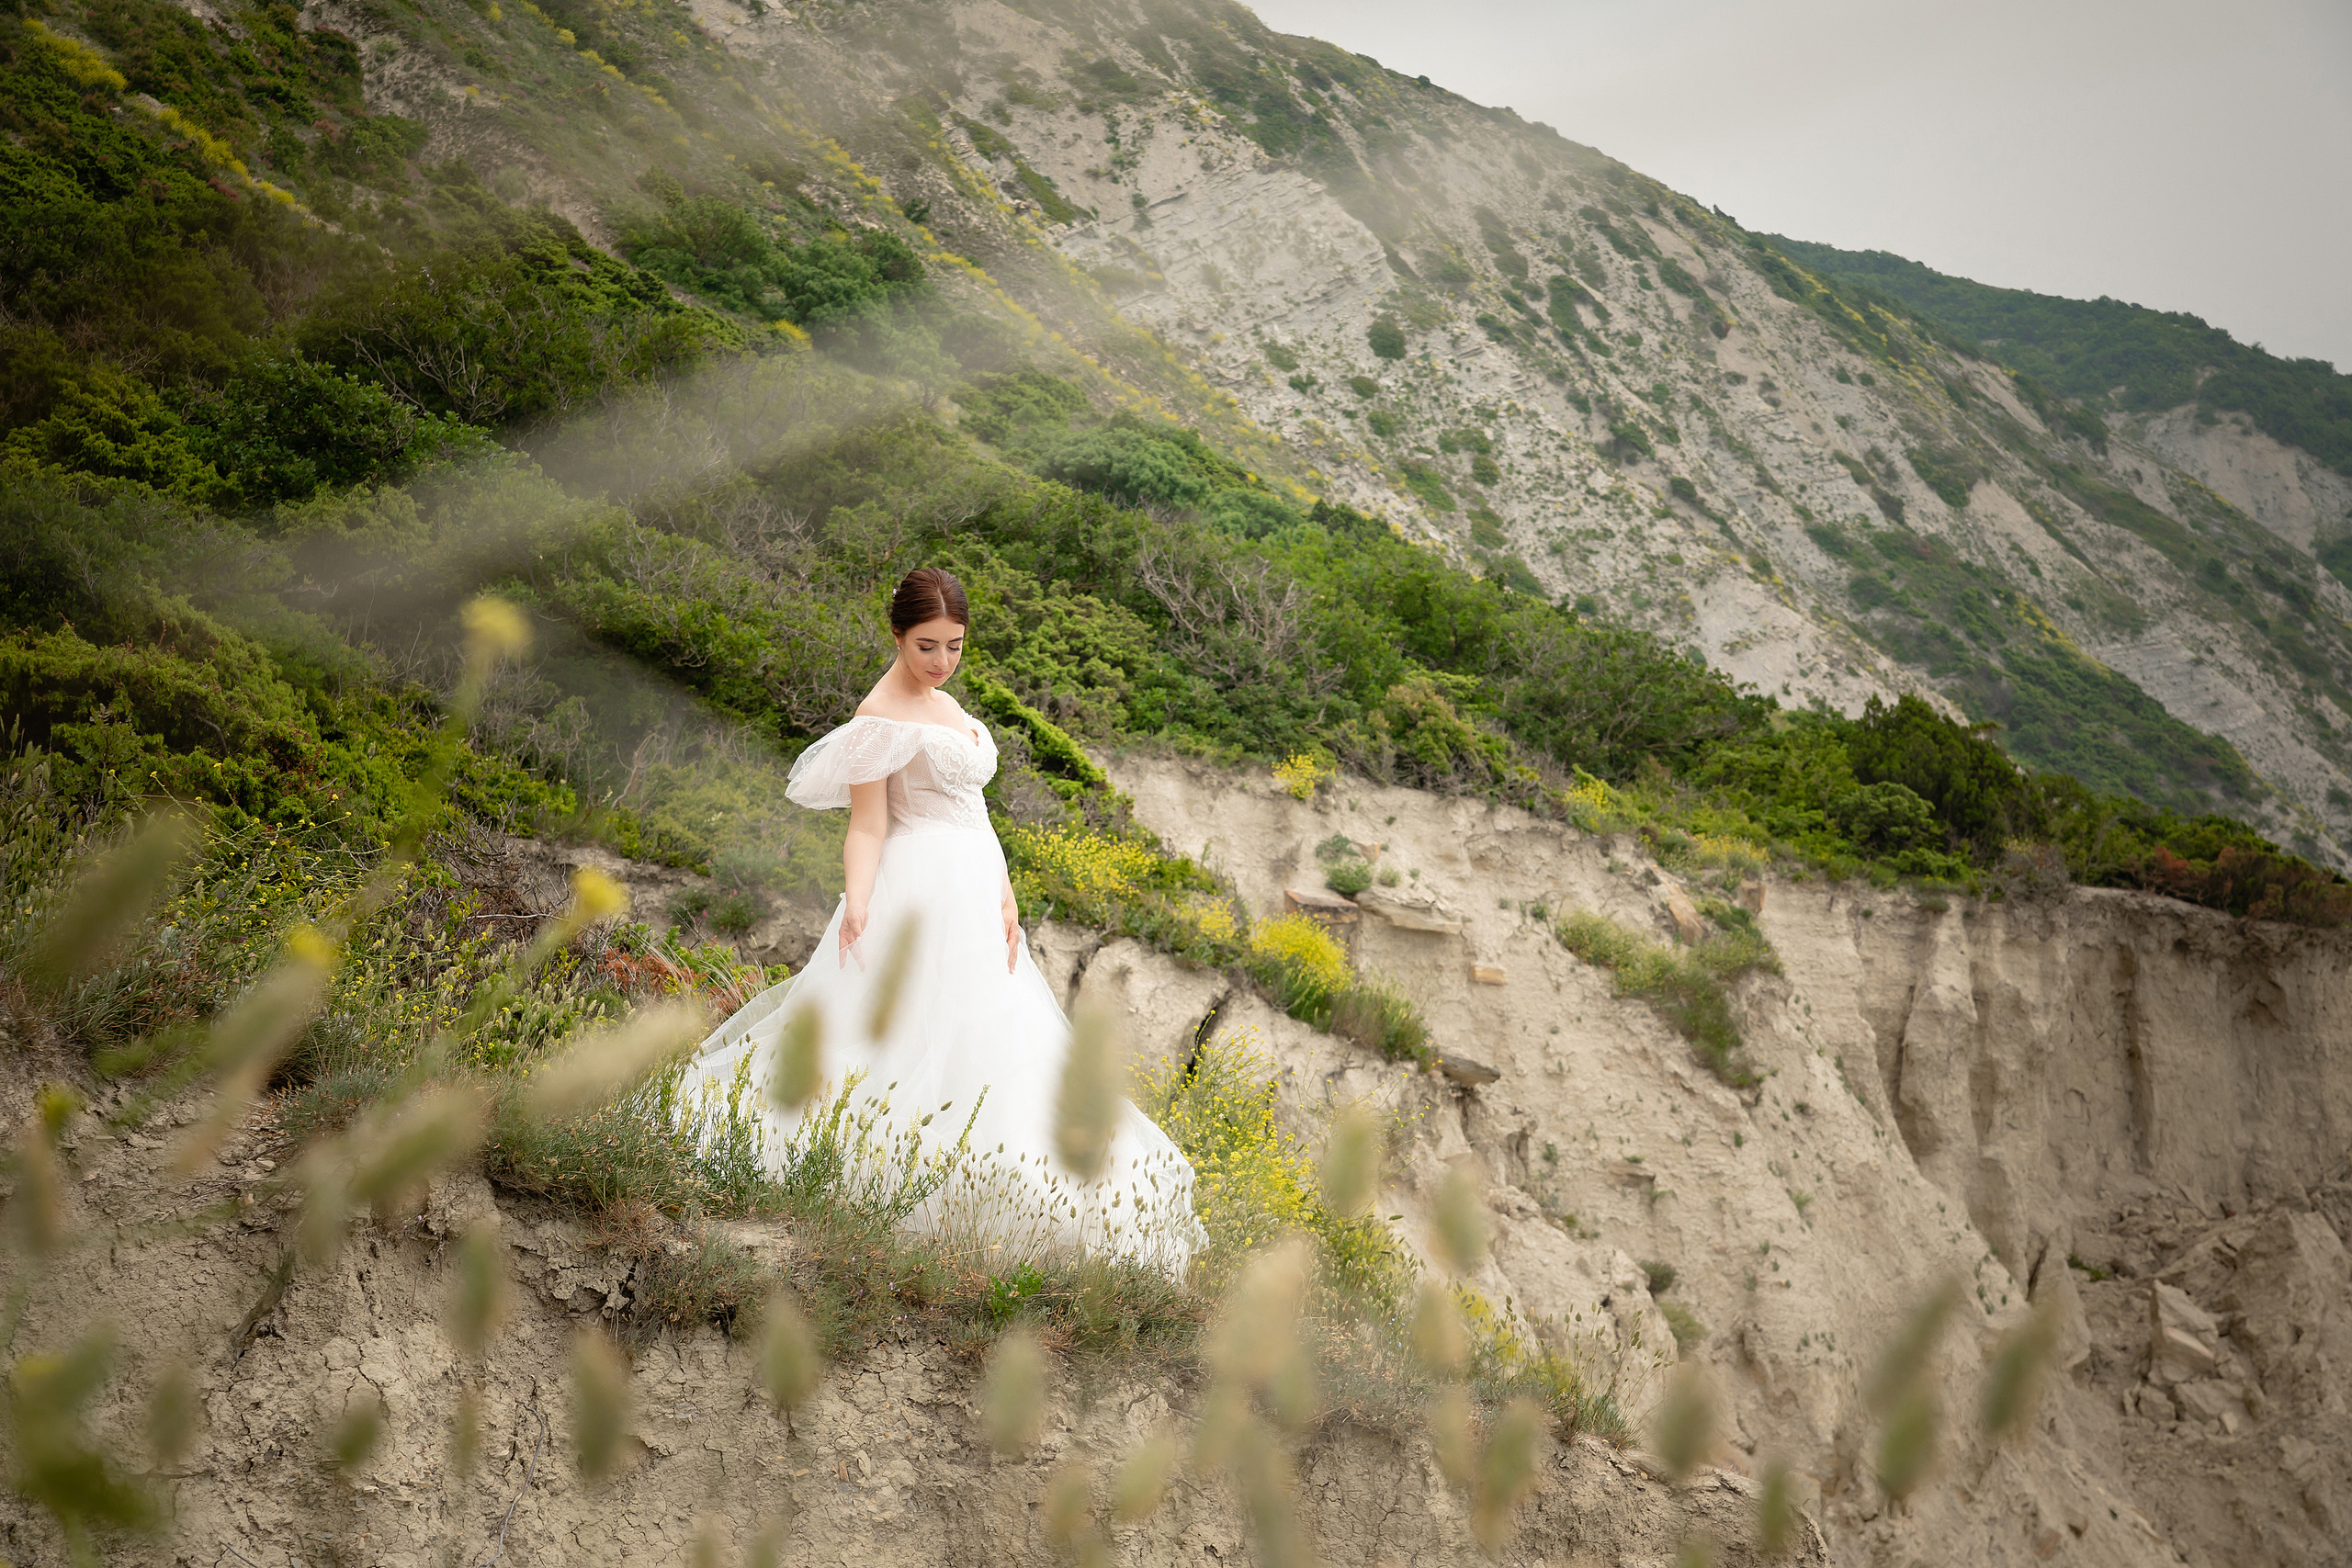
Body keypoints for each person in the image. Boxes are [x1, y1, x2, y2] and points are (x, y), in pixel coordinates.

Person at [677, 567, 1204, 1273]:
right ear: (896, 634)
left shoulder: (944, 699)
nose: (942, 662)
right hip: (918, 889)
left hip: (974, 887)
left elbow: (974, 810)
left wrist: (1006, 890)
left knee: (993, 1036)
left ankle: (1015, 1183)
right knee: (909, 1038)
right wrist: (858, 899)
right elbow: (867, 826)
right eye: (927, 646)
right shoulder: (879, 716)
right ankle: (913, 1186)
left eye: (955, 646)